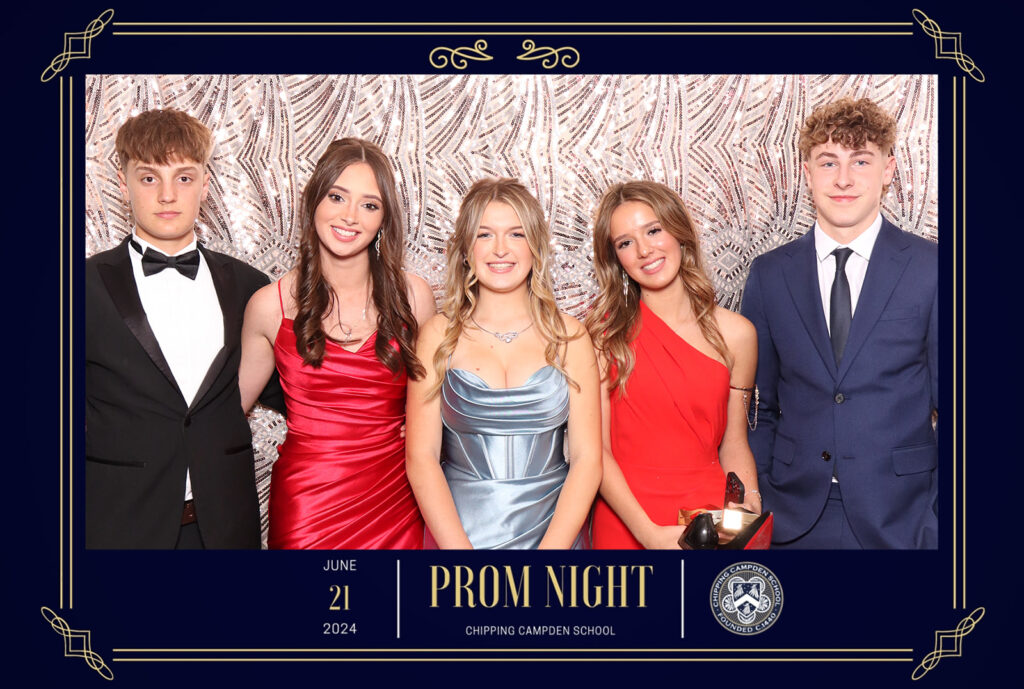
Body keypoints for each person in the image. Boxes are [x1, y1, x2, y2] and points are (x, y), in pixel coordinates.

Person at [740, 97, 938, 549]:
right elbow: (759, 408)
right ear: (807, 173)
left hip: (903, 518)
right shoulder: (770, 275)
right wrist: (764, 494)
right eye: (828, 162)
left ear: (888, 170)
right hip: (793, 519)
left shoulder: (933, 269)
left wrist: (938, 520)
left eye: (861, 161)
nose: (844, 179)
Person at [86, 109, 283, 549]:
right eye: (149, 178)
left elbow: (303, 391)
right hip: (115, 530)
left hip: (225, 533)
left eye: (185, 177)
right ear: (123, 184)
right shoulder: (79, 288)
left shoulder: (252, 288)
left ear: (206, 185)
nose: (168, 195)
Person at [239, 138, 435, 549]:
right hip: (308, 504)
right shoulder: (269, 306)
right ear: (314, 201)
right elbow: (221, 416)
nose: (350, 216)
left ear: (384, 219)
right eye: (337, 196)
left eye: (369, 204)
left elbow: (436, 408)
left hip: (397, 500)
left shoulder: (414, 297)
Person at [405, 178, 601, 549]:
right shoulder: (436, 334)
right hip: (458, 534)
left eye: (516, 234)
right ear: (465, 249)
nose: (499, 250)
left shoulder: (571, 337)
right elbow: (421, 457)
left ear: (535, 246)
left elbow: (587, 460)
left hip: (554, 533)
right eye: (484, 235)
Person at [586, 181, 761, 549]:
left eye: (653, 230)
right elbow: (594, 452)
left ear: (679, 231)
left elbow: (734, 443)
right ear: (615, 257)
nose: (645, 249)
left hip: (708, 518)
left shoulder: (737, 335)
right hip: (626, 518)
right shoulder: (603, 335)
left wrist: (748, 505)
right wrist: (646, 533)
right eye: (625, 242)